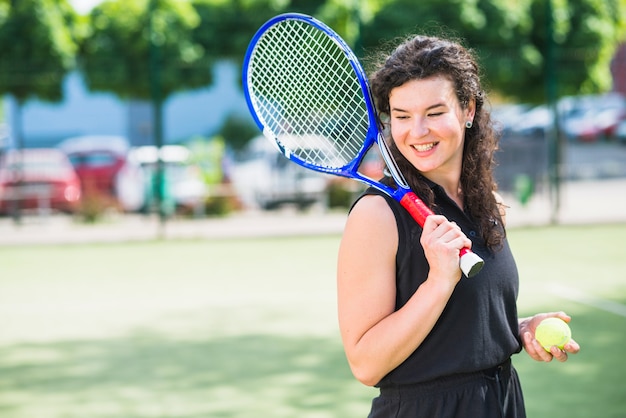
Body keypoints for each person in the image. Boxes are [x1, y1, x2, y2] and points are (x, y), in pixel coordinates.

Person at [336, 34, 580, 418]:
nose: (417, 131)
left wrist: (516, 329)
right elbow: (366, 364)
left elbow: (459, 330)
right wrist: (438, 282)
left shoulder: (485, 202)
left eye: (434, 113)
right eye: (401, 116)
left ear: (467, 110)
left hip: (500, 403)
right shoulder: (376, 216)